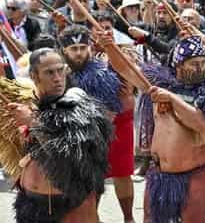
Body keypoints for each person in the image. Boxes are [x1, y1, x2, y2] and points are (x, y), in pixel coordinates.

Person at [9, 48, 112, 222]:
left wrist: (33, 124)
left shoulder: (78, 108)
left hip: (70, 209)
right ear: (34, 76)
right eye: (49, 73)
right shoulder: (33, 106)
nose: (57, 78)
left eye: (60, 70)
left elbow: (70, 158)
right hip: (30, 207)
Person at [140, 35, 205, 223]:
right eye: (194, 63)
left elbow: (201, 124)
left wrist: (172, 99)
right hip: (159, 173)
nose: (201, 68)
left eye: (202, 62)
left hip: (195, 175)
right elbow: (128, 71)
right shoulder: (162, 86)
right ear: (179, 66)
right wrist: (109, 46)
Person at [59, 25, 135, 223]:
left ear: (90, 48)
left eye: (83, 47)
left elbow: (126, 77)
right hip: (82, 134)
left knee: (122, 173)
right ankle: (93, 217)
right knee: (91, 178)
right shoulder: (59, 75)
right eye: (73, 49)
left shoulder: (104, 71)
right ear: (64, 51)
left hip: (116, 127)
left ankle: (128, 218)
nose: (79, 53)